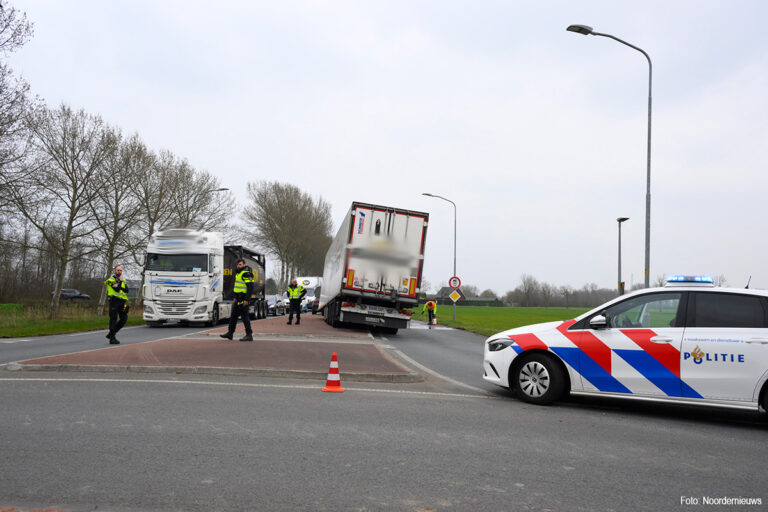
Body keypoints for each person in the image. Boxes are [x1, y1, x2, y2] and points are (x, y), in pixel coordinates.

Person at [220, 259, 255, 342]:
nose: (238, 266)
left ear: (244, 264)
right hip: (238, 298)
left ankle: (249, 335)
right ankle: (230, 333)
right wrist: (235, 297)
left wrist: (247, 299)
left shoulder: (246, 273)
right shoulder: (238, 273)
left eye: (240, 264)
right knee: (233, 317)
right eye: (237, 264)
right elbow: (237, 287)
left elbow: (250, 288)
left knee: (245, 317)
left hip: (243, 298)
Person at [105, 265, 129, 344]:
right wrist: (120, 283)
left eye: (121, 270)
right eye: (118, 270)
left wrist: (120, 284)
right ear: (114, 271)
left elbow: (126, 290)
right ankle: (112, 338)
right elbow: (116, 289)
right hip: (114, 301)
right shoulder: (110, 280)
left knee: (124, 319)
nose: (120, 272)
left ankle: (111, 333)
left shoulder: (123, 279)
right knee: (113, 319)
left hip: (122, 302)